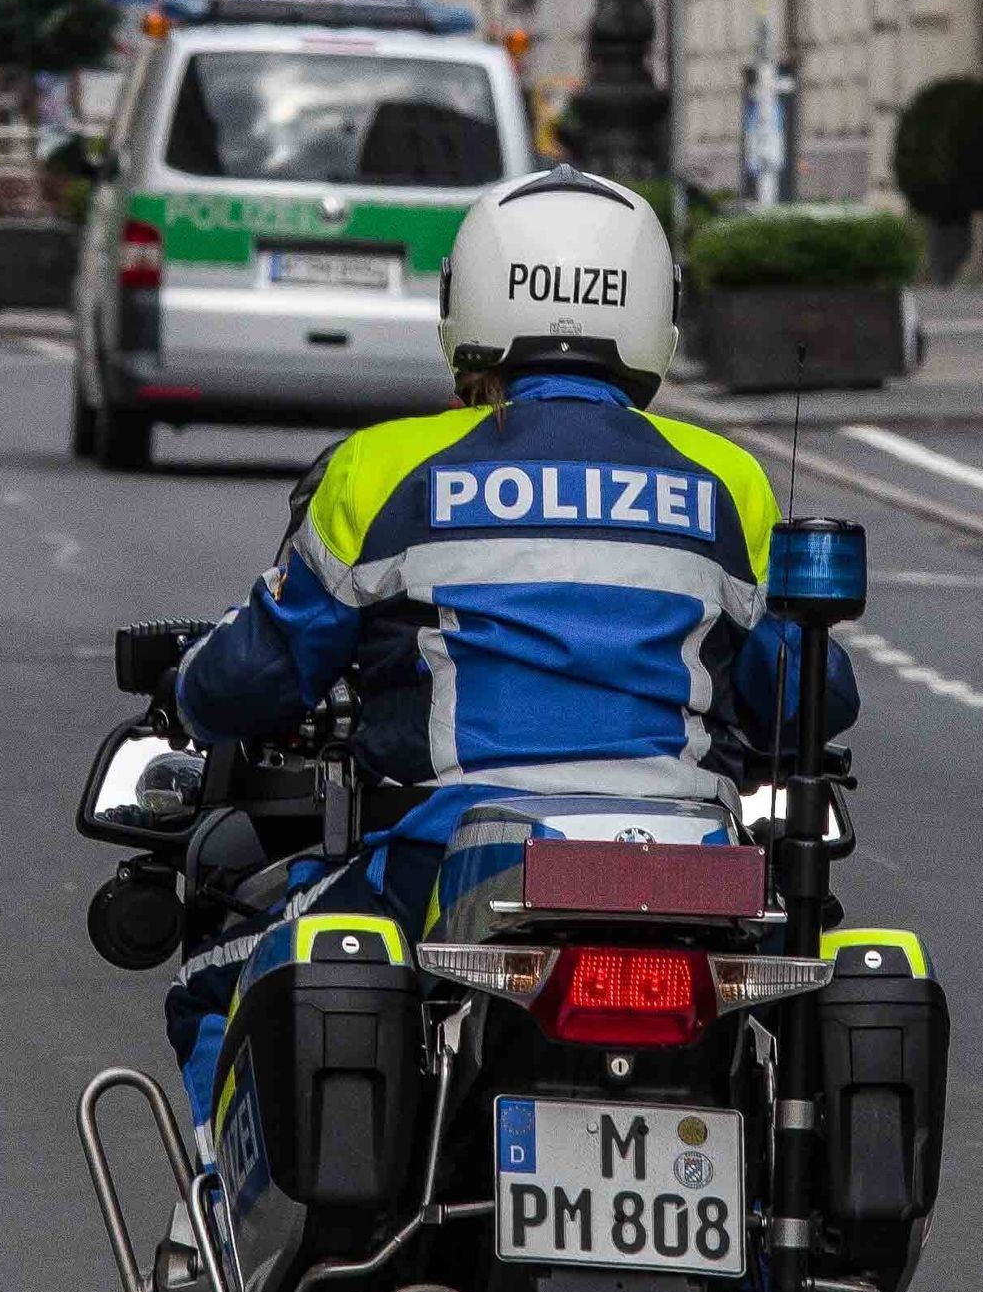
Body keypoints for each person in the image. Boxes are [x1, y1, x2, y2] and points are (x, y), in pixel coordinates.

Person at [152, 170, 851, 1153]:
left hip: (454, 861)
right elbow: (810, 696)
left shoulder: (384, 467)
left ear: (468, 301)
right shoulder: (727, 477)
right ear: (656, 308)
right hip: (695, 878)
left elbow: (252, 678)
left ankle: (224, 1232)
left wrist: (190, 688)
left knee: (222, 976)